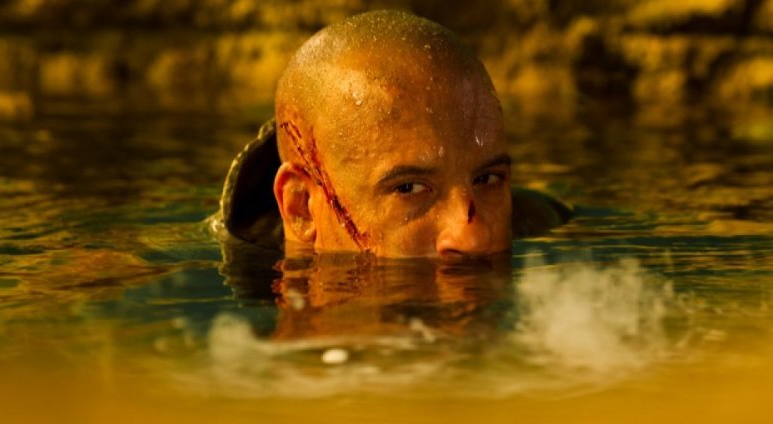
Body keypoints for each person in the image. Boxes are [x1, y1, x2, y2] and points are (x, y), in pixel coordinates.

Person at [217, 10, 571, 258]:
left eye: (488, 179)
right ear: (302, 208)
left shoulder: (548, 225)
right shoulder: (215, 297)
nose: (473, 238)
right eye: (409, 188)